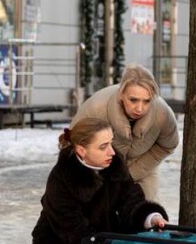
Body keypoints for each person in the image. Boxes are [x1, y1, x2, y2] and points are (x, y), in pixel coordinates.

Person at [30, 118, 169, 244]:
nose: (112, 152)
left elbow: (131, 199)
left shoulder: (115, 163)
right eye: (103, 146)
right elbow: (71, 228)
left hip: (102, 232)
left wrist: (151, 217)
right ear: (82, 150)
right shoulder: (61, 178)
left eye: (111, 143)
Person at [70, 63, 179, 201]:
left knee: (147, 214)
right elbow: (71, 142)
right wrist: (93, 175)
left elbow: (167, 145)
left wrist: (132, 173)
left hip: (142, 169)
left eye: (146, 101)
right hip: (98, 170)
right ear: (121, 94)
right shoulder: (97, 108)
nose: (139, 108)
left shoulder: (162, 115)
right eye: (133, 100)